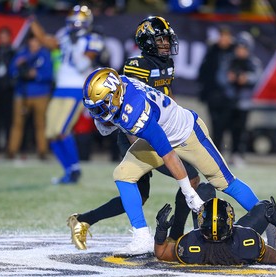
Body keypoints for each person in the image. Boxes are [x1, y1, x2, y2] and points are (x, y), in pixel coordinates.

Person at [81, 66, 260, 256]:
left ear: (115, 95)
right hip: (157, 134)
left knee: (223, 181)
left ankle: (265, 217)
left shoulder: (135, 111)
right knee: (123, 174)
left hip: (186, 135)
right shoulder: (120, 87)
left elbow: (169, 155)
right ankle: (142, 237)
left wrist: (189, 192)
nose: (97, 113)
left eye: (101, 106)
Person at [67, 16, 209, 252]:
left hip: (159, 130)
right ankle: (172, 237)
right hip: (135, 133)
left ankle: (84, 219)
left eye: (166, 39)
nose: (165, 44)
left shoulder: (167, 64)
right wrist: (148, 143)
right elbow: (128, 105)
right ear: (148, 42)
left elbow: (166, 96)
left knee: (154, 191)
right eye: (160, 39)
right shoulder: (136, 66)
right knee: (186, 179)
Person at [29, 4, 107, 184]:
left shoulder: (93, 39)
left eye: (79, 24)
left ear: (87, 24)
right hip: (60, 89)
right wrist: (31, 19)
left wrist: (73, 46)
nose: (75, 27)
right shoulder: (64, 35)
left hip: (76, 89)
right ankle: (69, 171)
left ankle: (75, 168)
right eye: (73, 23)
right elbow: (43, 39)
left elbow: (82, 65)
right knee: (50, 133)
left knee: (61, 130)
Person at [154, 196, 276, 265]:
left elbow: (161, 252)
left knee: (204, 189)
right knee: (266, 208)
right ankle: (273, 241)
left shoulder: (189, 245)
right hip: (236, 246)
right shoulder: (247, 242)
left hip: (202, 249)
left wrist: (161, 231)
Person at [217, 31, 263, 166]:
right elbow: (220, 77)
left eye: (244, 48)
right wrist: (228, 78)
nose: (241, 51)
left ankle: (237, 154)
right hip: (229, 100)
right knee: (223, 128)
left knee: (240, 131)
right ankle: (221, 155)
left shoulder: (253, 62)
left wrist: (246, 78)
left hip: (244, 102)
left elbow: (258, 78)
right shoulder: (229, 60)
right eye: (239, 48)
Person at [6, 32, 53, 160]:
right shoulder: (22, 54)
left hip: (41, 94)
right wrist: (18, 67)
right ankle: (12, 150)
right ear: (28, 42)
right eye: (32, 41)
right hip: (22, 94)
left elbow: (49, 74)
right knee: (17, 123)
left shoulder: (44, 54)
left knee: (40, 124)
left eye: (36, 41)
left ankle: (43, 151)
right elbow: (11, 72)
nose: (34, 44)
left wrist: (36, 74)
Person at [197, 25, 235, 153]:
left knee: (227, 124)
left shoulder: (234, 52)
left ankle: (229, 150)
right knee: (214, 123)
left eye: (226, 36)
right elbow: (203, 71)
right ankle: (217, 150)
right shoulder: (212, 51)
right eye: (222, 36)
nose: (223, 39)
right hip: (213, 94)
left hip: (229, 94)